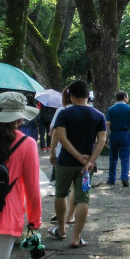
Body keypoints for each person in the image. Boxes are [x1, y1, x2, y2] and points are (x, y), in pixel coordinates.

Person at [0, 92, 42, 259]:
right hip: (6, 215)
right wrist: (34, 223)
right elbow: (33, 189)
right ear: (19, 118)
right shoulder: (27, 143)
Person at [48, 80, 107, 248]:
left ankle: (61, 229)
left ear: (72, 96)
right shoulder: (98, 115)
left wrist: (73, 156)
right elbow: (102, 140)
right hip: (86, 168)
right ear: (88, 96)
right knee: (83, 199)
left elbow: (61, 137)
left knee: (61, 194)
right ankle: (76, 237)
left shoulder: (64, 114)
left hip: (65, 162)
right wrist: (89, 161)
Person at [48, 87, 75, 225]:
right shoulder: (88, 111)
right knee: (75, 188)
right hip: (82, 155)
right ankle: (70, 216)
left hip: (62, 154)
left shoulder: (61, 111)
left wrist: (52, 152)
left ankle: (60, 217)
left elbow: (55, 134)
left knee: (61, 189)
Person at [106, 91, 130, 187]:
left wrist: (106, 136)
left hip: (114, 134)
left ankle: (111, 179)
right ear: (124, 97)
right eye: (127, 97)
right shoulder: (129, 109)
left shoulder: (111, 109)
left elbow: (107, 124)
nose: (128, 99)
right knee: (125, 157)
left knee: (113, 157)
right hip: (125, 134)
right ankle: (124, 178)